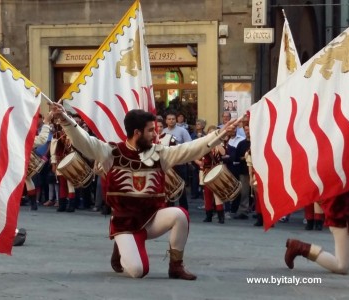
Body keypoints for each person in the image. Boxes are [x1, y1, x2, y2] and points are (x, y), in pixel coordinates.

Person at [51, 105, 235, 280]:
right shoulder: (111, 153)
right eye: (150, 130)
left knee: (180, 215)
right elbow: (84, 141)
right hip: (124, 223)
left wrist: (220, 134)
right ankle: (121, 245)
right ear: (137, 133)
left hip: (151, 219)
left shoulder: (159, 153)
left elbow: (189, 149)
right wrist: (64, 118)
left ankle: (176, 266)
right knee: (139, 271)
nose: (155, 134)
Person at [284, 192, 349, 274]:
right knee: (341, 267)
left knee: (342, 266)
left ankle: (300, 247)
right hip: (342, 219)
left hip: (341, 215)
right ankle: (300, 247)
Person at [13, 112, 52, 246]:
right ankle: (33, 203)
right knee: (28, 181)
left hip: (9, 167)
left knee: (26, 181)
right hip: (20, 164)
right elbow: (41, 140)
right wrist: (46, 124)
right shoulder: (22, 138)